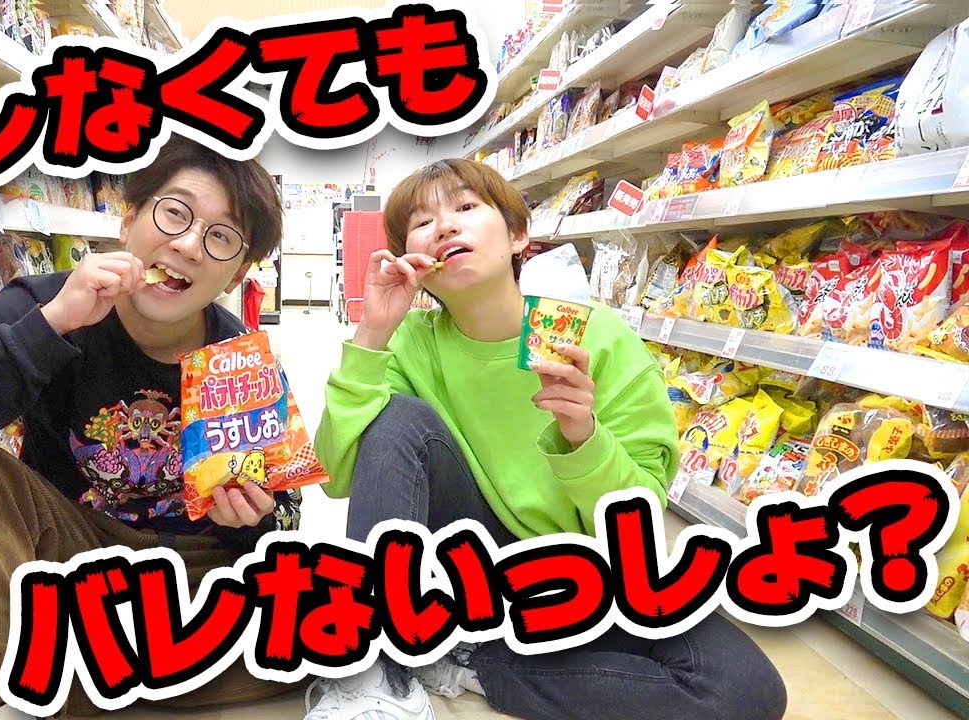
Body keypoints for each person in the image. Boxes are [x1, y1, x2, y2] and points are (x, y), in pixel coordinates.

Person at [311, 158, 788, 720]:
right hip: (464, 570)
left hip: (579, 571)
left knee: (744, 690)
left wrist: (584, 437)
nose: (445, 226)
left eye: (465, 207)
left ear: (518, 235)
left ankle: (470, 662)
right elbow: (338, 475)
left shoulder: (596, 337)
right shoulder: (409, 342)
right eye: (422, 221)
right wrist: (372, 332)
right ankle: (374, 672)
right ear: (409, 260)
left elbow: (638, 511)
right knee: (397, 417)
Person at [0, 138, 300, 720]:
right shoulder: (45, 304)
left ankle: (67, 673)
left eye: (222, 237)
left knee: (318, 630)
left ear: (239, 270)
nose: (187, 245)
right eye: (175, 213)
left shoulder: (240, 361)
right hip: (67, 556)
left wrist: (255, 521)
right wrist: (51, 327)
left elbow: (284, 525)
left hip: (188, 576)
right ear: (128, 219)